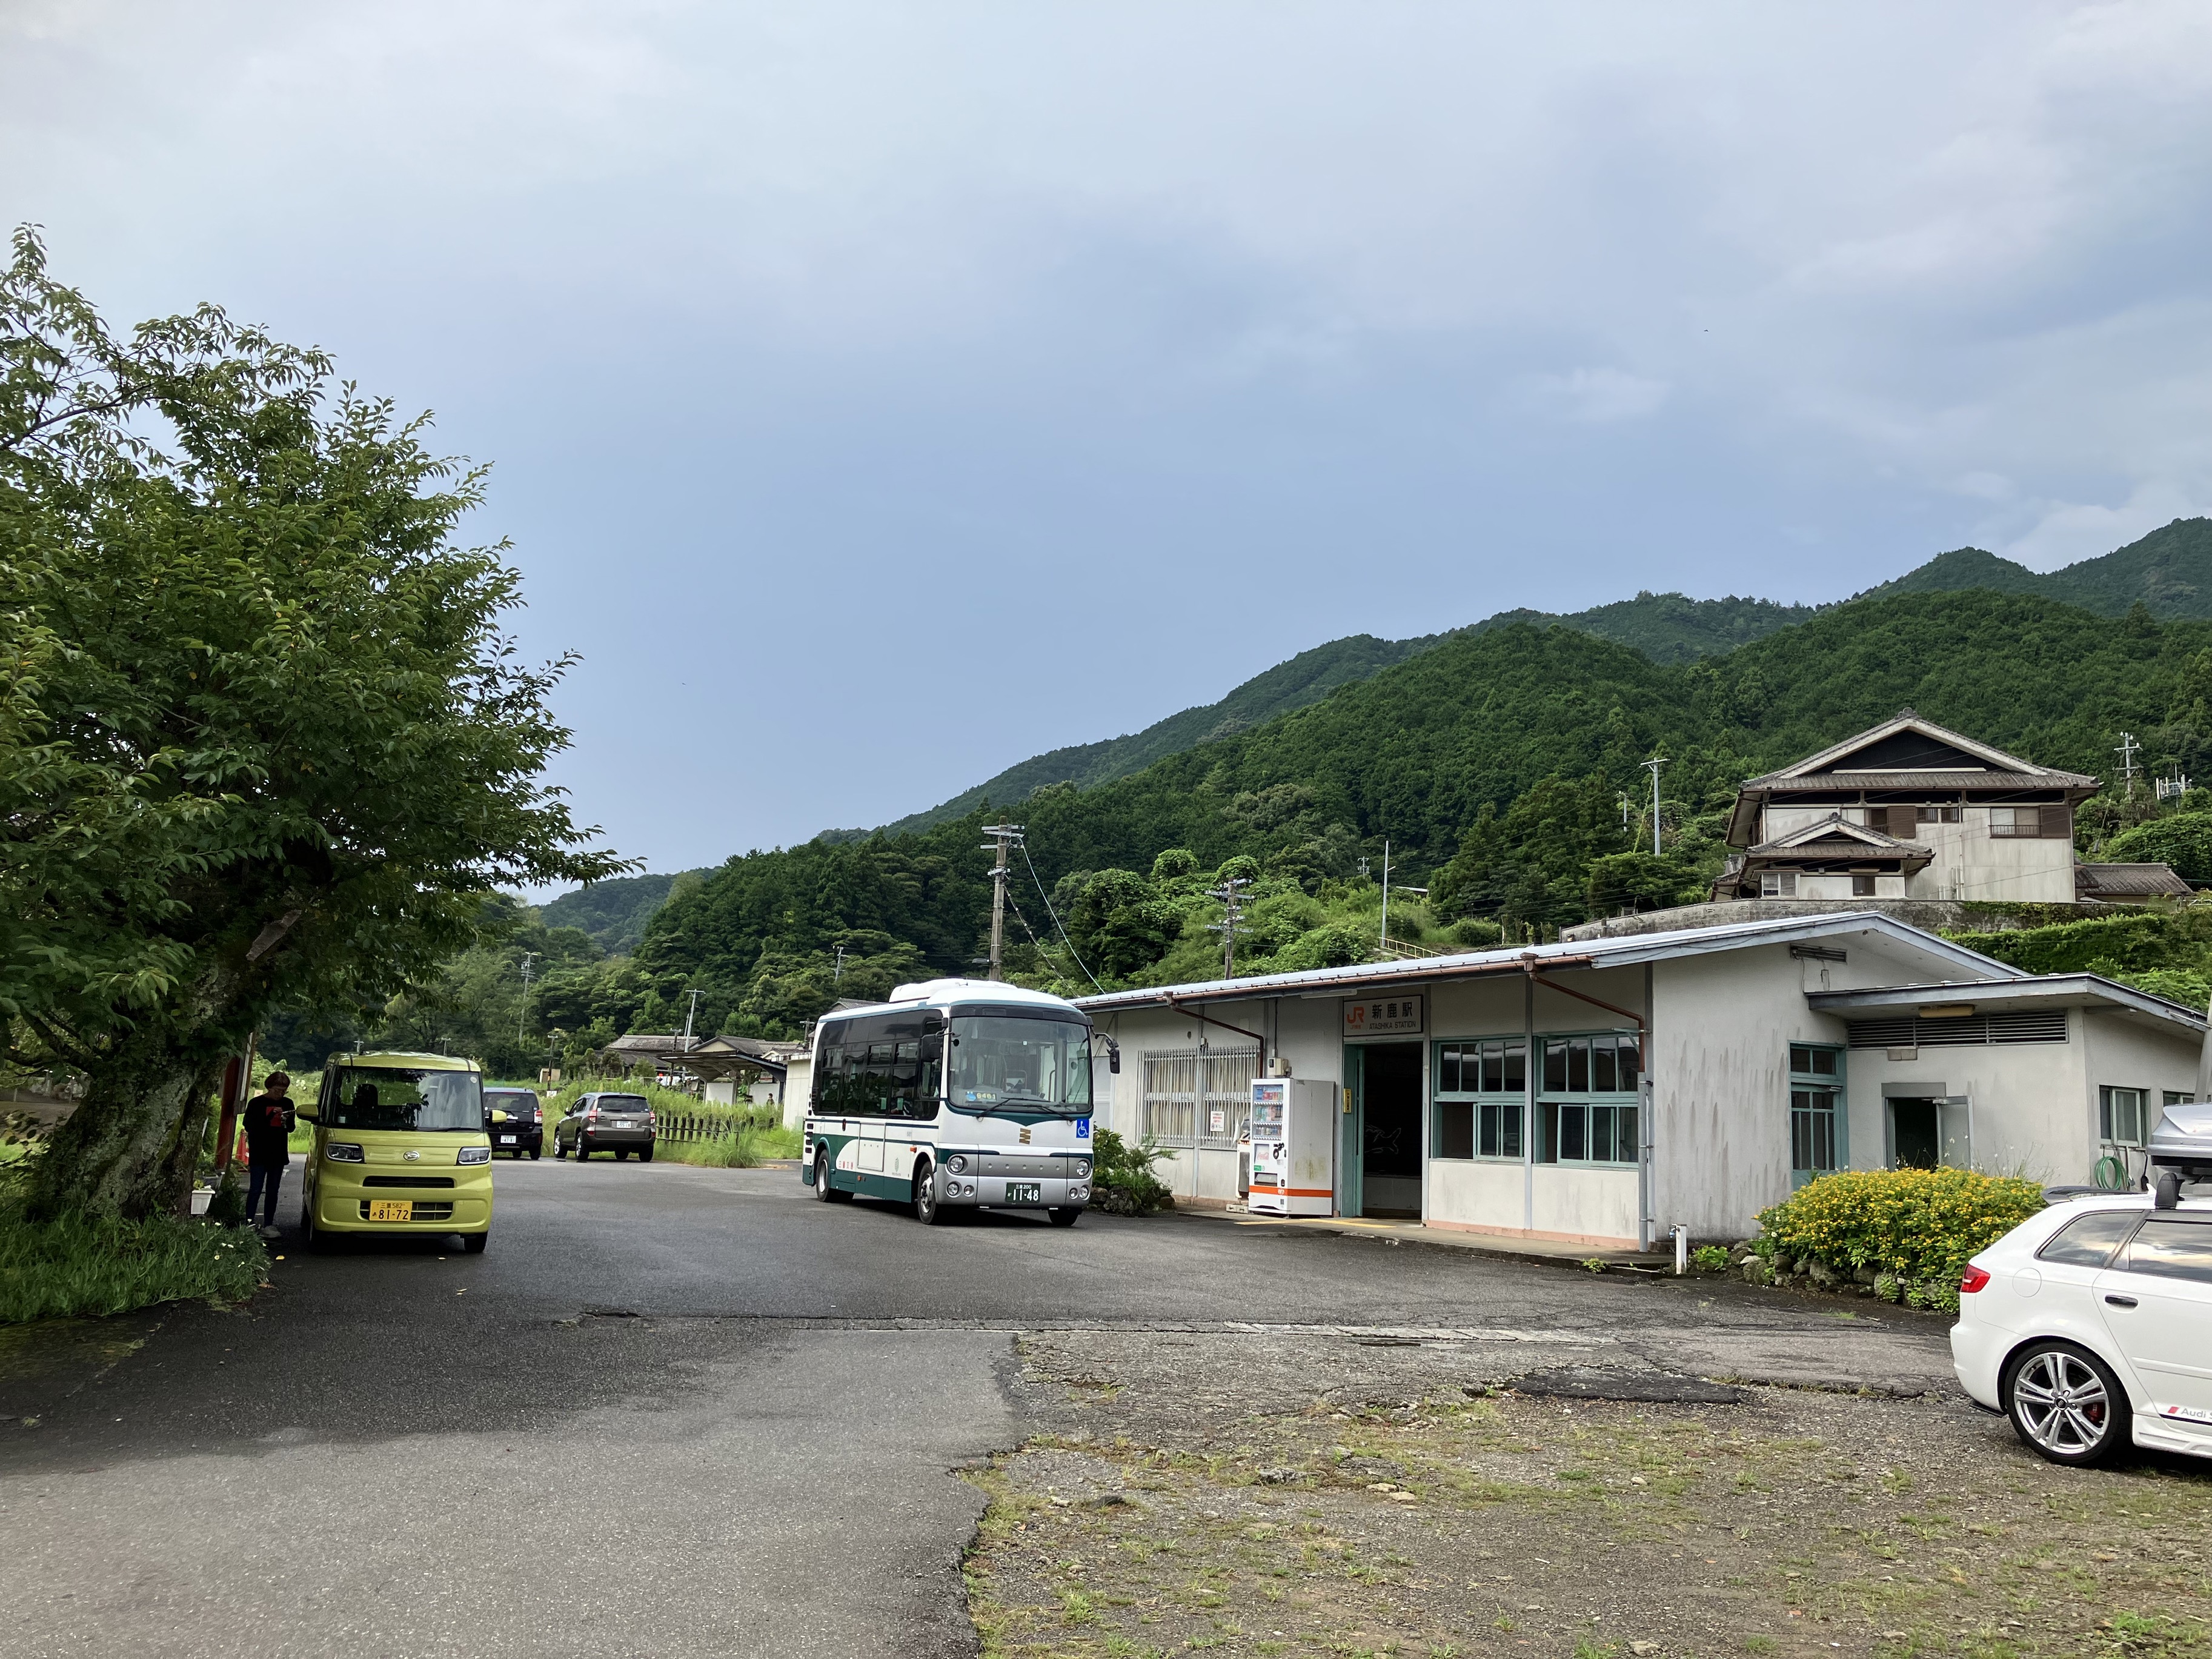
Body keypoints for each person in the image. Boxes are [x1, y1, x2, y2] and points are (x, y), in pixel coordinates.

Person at [242, 1072, 295, 1237]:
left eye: (284, 1090)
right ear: (269, 1087)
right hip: (259, 1151)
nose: (280, 1094)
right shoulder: (256, 1103)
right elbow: (250, 1126)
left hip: (278, 1152)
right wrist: (271, 1115)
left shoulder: (287, 1103)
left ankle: (269, 1224)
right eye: (277, 1090)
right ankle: (249, 1223)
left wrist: (286, 1120)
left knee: (273, 1190)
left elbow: (291, 1128)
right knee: (256, 1189)